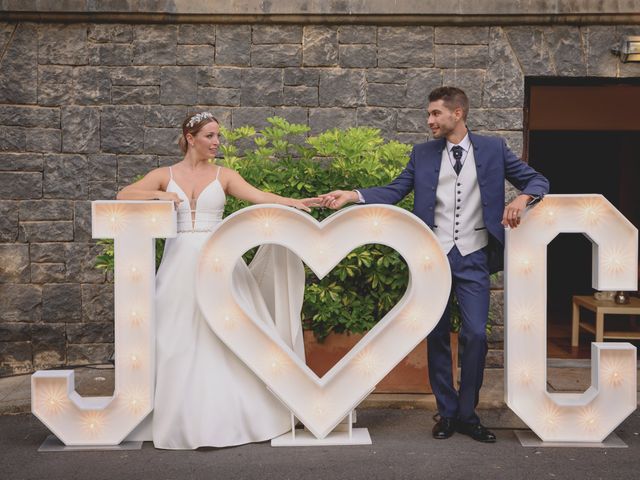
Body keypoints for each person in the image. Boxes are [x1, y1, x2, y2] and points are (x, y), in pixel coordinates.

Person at [319, 87, 549, 443]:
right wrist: (354, 195)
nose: (429, 121)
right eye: (429, 115)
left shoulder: (493, 148)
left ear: (457, 114)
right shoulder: (422, 154)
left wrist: (522, 196)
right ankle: (446, 412)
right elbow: (395, 190)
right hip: (432, 256)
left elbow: (538, 180)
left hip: (473, 256)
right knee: (437, 334)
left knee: (475, 334)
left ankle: (468, 414)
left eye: (435, 114)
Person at [117, 112, 318, 449]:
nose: (216, 143)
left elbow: (258, 197)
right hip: (179, 263)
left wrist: (293, 202)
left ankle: (234, 419)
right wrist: (159, 196)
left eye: (218, 137)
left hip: (220, 260)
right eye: (209, 136)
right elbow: (124, 195)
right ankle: (182, 420)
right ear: (190, 136)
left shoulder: (224, 175)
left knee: (227, 338)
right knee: (177, 339)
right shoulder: (164, 176)